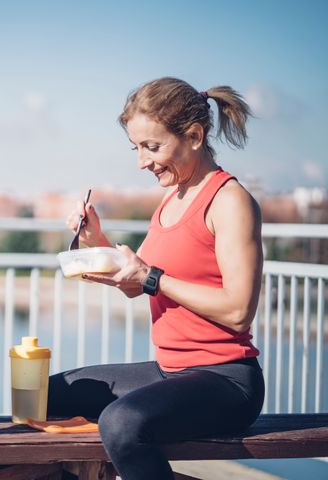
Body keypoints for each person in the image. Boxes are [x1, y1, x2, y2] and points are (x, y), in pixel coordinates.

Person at [48, 77, 264, 480]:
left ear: (195, 136)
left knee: (121, 423)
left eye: (152, 147)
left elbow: (238, 311)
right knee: (48, 393)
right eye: (137, 148)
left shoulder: (230, 201)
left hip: (226, 381)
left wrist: (151, 278)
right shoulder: (172, 197)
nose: (142, 162)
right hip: (170, 369)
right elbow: (140, 281)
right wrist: (99, 243)